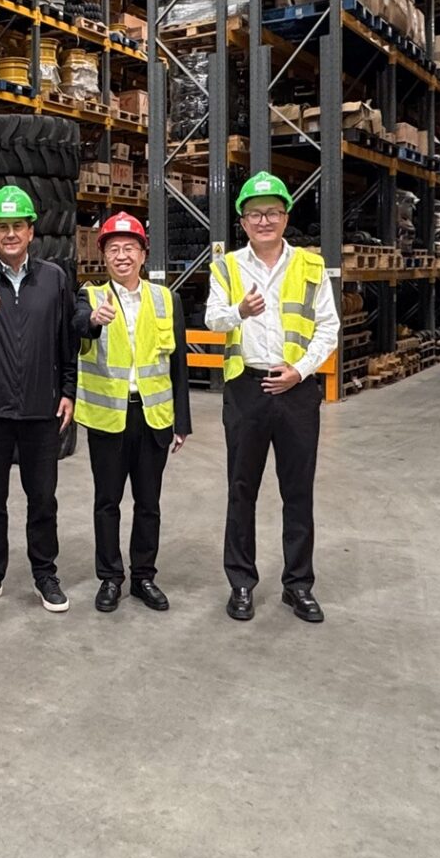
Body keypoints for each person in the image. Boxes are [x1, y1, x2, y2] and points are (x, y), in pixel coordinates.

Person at [203, 172, 340, 623]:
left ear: (286, 217)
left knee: (297, 491)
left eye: (273, 212)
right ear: (243, 222)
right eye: (255, 213)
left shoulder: (311, 265)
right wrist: (239, 310)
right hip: (246, 388)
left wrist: (300, 370)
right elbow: (213, 320)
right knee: (241, 489)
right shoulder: (227, 266)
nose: (264, 220)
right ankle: (241, 583)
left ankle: (298, 585)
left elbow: (329, 326)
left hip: (296, 390)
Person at [0, 184, 89, 613]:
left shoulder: (54, 278)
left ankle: (45, 574)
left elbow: (67, 340)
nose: (10, 234)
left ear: (31, 231)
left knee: (42, 499)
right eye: (2, 227)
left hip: (40, 410)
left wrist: (68, 391)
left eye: (18, 226)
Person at [75, 212, 191, 613]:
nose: (121, 256)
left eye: (129, 248)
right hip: (109, 417)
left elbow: (178, 365)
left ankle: (144, 577)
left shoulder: (167, 299)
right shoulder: (89, 297)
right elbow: (77, 326)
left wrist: (182, 421)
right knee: (107, 502)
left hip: (153, 417)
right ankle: (110, 577)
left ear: (143, 254)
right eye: (113, 249)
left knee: (148, 503)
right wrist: (93, 321)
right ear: (103, 255)